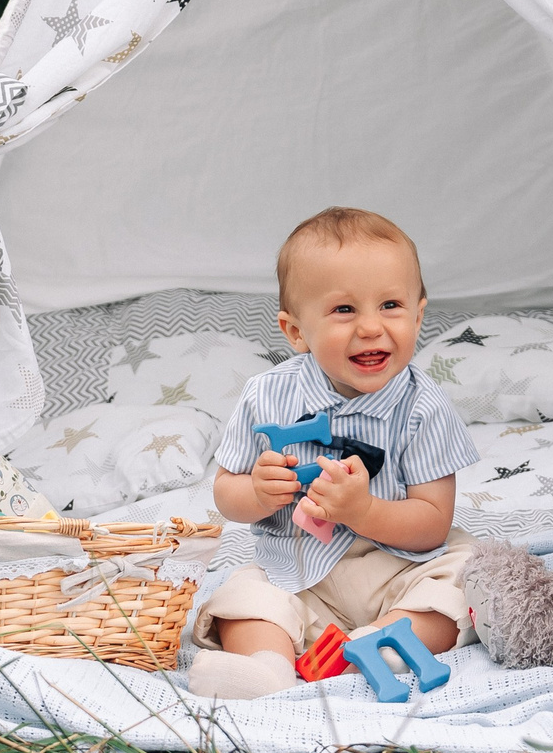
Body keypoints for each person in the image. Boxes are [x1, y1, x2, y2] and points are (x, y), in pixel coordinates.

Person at [187, 206, 481, 700]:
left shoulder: (423, 406)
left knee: (465, 575)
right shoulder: (266, 395)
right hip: (297, 573)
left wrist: (362, 510)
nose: (370, 328)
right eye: (345, 310)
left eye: (390, 305)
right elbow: (225, 492)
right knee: (245, 594)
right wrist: (257, 492)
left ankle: (379, 646)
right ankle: (266, 670)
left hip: (399, 571)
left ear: (418, 314)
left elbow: (433, 522)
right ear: (296, 331)